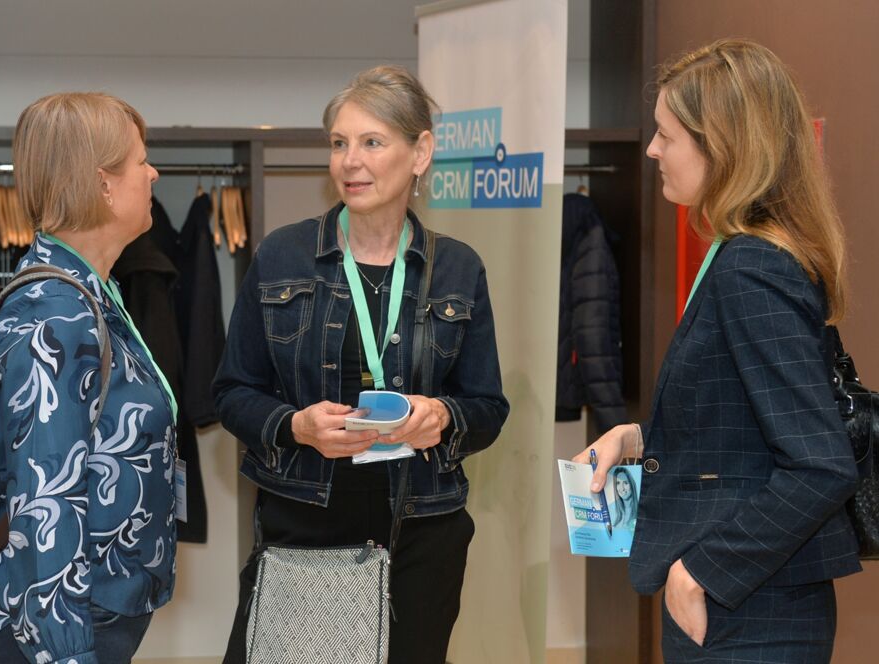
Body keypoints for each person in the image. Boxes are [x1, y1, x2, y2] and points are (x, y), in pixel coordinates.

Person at [575, 39, 861, 663]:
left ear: (724, 147)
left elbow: (819, 465)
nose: (652, 150)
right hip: (744, 605)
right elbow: (743, 425)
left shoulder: (753, 267)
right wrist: (637, 437)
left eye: (667, 135)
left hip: (747, 612)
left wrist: (702, 571)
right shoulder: (746, 254)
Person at [213, 65, 509, 663]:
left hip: (422, 533)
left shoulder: (458, 268)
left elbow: (487, 406)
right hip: (306, 527)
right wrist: (296, 426)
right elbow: (231, 391)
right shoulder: (282, 256)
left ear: (420, 152)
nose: (350, 161)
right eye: (339, 143)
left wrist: (442, 417)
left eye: (372, 142)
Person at [0, 93, 177, 664]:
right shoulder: (53, 313)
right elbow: (45, 499)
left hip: (96, 613)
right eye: (141, 160)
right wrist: (67, 653)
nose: (153, 173)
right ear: (103, 183)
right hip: (53, 633)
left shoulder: (90, 295)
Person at [611, 466, 637, 531]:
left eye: (625, 483)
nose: (622, 488)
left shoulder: (640, 512)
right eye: (618, 483)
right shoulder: (616, 516)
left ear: (632, 484)